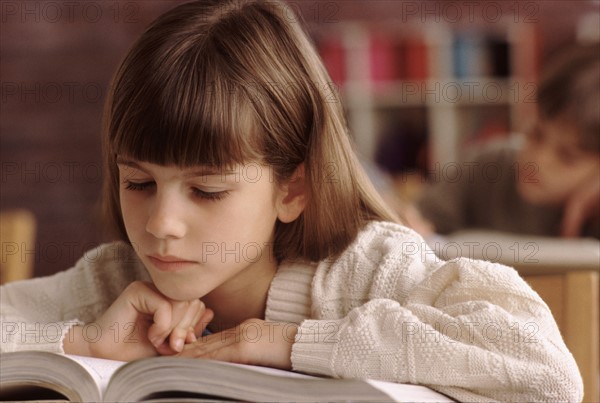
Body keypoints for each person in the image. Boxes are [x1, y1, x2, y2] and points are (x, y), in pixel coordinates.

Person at [0, 1, 583, 401]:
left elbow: (547, 372)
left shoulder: (367, 268)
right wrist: (85, 343)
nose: (161, 225)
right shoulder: (116, 281)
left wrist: (285, 341)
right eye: (139, 182)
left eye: (207, 190)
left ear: (293, 189)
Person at [416, 44, 600, 239]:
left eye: (567, 156)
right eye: (536, 134)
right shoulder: (484, 166)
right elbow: (417, 224)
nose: (538, 159)